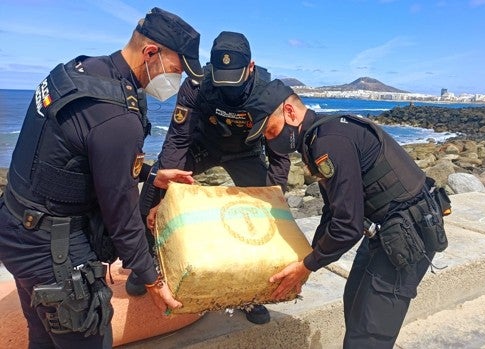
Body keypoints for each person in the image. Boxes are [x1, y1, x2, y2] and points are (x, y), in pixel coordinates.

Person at [0, 7, 203, 348]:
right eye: (177, 69)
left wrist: (152, 174)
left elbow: (74, 160)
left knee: (43, 338)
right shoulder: (117, 116)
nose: (177, 80)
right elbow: (121, 214)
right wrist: (151, 279)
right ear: (151, 53)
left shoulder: (76, 72)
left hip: (15, 227)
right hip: (55, 252)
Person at [245, 79, 451, 348]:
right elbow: (334, 210)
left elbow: (347, 226)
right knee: (354, 305)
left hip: (408, 236)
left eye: (270, 131)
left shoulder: (329, 142)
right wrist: (307, 257)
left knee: (369, 333)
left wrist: (307, 266)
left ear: (290, 112)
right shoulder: (318, 136)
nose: (270, 140)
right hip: (385, 230)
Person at [128, 31, 290, 325]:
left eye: (235, 78)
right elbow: (177, 141)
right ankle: (147, 264)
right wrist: (164, 197)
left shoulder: (268, 91)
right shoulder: (197, 84)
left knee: (264, 216)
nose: (227, 86)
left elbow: (279, 152)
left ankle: (251, 292)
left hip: (245, 152)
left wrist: (276, 198)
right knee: (155, 186)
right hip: (203, 145)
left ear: (250, 68)